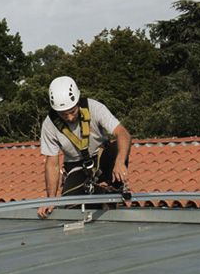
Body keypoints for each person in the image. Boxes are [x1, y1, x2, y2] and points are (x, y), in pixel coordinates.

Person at [36, 76, 132, 218]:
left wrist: (119, 162)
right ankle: (102, 195)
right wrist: (51, 198)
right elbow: (52, 163)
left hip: (101, 159)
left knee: (117, 148)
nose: (69, 118)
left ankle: (116, 188)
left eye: (72, 112)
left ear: (78, 102)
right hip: (76, 167)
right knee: (71, 205)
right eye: (64, 114)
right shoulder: (49, 125)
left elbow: (123, 134)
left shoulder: (95, 108)